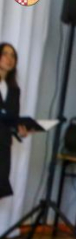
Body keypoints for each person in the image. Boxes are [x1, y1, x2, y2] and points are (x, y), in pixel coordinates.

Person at [0, 43, 29, 200]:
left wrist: (20, 131)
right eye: (5, 53)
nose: (9, 58)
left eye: (13, 56)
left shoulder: (14, 90)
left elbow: (13, 119)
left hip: (3, 147)